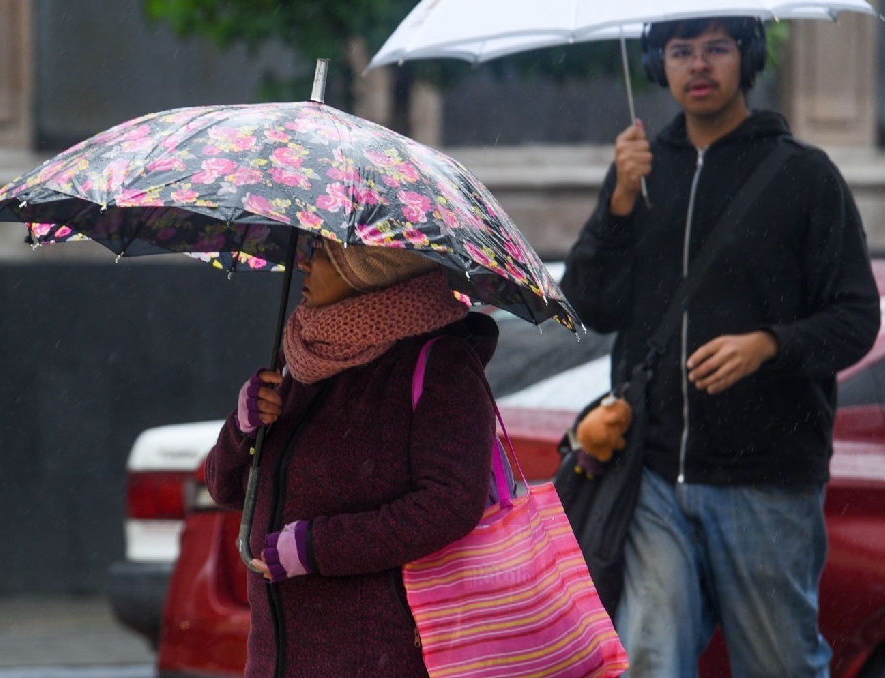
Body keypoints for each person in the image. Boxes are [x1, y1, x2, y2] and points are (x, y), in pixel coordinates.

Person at [561, 15, 880, 678]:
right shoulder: (638, 173)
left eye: (716, 48)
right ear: (658, 64)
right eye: (680, 51)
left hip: (765, 479)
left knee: (780, 665)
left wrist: (770, 344)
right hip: (648, 471)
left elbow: (856, 317)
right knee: (649, 657)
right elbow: (592, 307)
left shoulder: (804, 176)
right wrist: (618, 204)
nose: (698, 65)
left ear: (747, 57)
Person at [205, 237, 500, 677]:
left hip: (381, 659)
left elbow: (450, 504)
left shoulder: (440, 366)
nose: (303, 262)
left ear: (374, 269)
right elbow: (225, 489)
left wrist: (316, 547)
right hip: (277, 662)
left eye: (324, 253)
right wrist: (240, 430)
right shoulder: (305, 359)